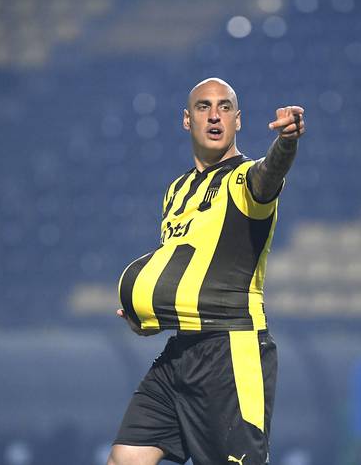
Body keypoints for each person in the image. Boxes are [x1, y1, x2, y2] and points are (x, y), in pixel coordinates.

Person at [108, 78, 305, 465]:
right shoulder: (176, 190)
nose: (214, 115)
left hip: (229, 351)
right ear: (187, 120)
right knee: (126, 458)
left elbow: (270, 174)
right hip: (180, 352)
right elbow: (181, 268)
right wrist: (148, 312)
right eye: (203, 107)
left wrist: (287, 143)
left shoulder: (244, 178)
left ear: (238, 120)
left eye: (224, 107)